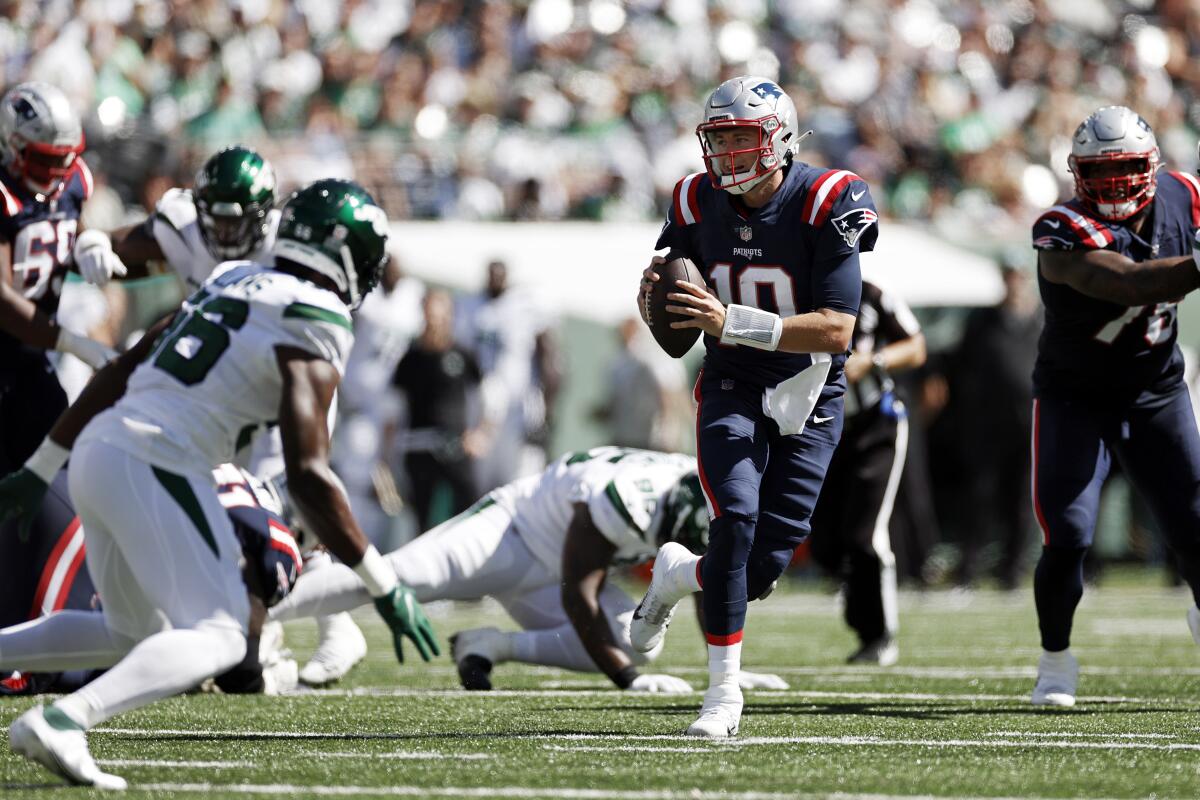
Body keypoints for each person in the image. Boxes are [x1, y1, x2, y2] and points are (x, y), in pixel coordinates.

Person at [0, 179, 439, 789]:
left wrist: (44, 467)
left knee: (131, 633)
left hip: (99, 448)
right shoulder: (318, 315)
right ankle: (64, 721)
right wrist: (382, 584)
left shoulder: (230, 277)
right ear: (343, 254)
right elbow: (309, 475)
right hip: (158, 458)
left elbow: (124, 367)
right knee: (223, 636)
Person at [633, 76, 876, 737]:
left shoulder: (830, 198)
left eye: (745, 138)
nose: (731, 154)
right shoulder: (691, 198)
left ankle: (676, 574)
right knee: (735, 519)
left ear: (782, 139)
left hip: (811, 389)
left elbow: (837, 329)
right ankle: (722, 697)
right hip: (733, 380)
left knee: (760, 569)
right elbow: (673, 295)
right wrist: (657, 298)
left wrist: (730, 318)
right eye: (720, 140)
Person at [270, 446, 787, 693]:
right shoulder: (631, 496)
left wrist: (729, 670)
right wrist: (627, 682)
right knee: (396, 578)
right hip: (510, 536)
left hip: (553, 572)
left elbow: (706, 581)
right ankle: (261, 607)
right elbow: (578, 596)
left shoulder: (698, 492)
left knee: (633, 637)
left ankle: (488, 645)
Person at [1028, 106, 1200, 708]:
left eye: (1127, 169)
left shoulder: (1185, 195)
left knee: (1195, 521)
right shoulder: (1060, 228)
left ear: (1151, 166)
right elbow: (1128, 284)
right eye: (1101, 172)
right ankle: (1055, 660)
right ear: (1077, 175)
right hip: (1076, 396)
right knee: (1069, 534)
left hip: (1157, 389)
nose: (1117, 184)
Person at [1, 464, 304, 698]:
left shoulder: (232, 474)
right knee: (20, 674)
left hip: (71, 490)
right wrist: (268, 679)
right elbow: (240, 669)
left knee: (126, 634)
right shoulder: (274, 535)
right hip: (78, 534)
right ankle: (65, 723)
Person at [0, 82, 115, 474]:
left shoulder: (68, 181)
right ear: (10, 146)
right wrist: (69, 342)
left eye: (64, 159)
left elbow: (67, 222)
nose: (57, 172)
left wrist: (89, 242)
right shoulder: (4, 194)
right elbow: (2, 301)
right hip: (19, 344)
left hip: (29, 361)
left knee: (61, 469)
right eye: (45, 160)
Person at [809, 278, 924, 666]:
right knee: (823, 539)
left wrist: (872, 360)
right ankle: (862, 619)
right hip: (820, 427)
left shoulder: (873, 295)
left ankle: (879, 635)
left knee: (865, 534)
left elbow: (916, 347)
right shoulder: (793, 289)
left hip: (876, 426)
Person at [954, 257, 1042, 590]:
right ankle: (969, 570)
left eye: (1018, 276)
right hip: (988, 424)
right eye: (1009, 276)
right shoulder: (983, 319)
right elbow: (962, 365)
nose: (1014, 283)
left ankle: (1013, 571)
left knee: (1022, 501)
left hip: (1030, 423)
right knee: (980, 497)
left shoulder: (1043, 320)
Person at [390, 289, 488, 530]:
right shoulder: (410, 358)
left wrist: (481, 433)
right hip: (419, 448)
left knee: (469, 514)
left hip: (457, 448)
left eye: (440, 316)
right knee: (420, 522)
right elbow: (392, 408)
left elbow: (490, 396)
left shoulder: (463, 355)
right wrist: (386, 456)